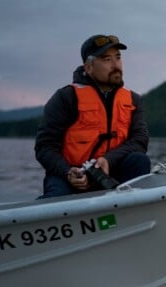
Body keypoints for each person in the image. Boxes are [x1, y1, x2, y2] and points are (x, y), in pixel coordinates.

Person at [35, 34, 151, 197]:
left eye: (118, 58)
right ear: (89, 67)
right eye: (106, 59)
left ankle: (134, 211)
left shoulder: (133, 99)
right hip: (70, 175)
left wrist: (108, 159)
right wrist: (67, 172)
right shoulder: (65, 98)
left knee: (139, 160)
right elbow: (44, 147)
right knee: (55, 199)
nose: (115, 65)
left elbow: (140, 140)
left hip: (111, 171)